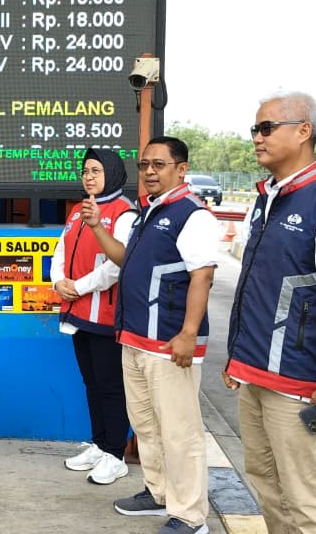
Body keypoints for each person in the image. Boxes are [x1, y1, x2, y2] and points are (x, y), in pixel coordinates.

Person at [221, 91, 316, 534]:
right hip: (254, 375)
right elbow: (257, 287)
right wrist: (237, 358)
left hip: (297, 383)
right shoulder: (266, 200)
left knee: (308, 501)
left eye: (266, 128)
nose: (257, 138)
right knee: (267, 486)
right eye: (255, 130)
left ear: (304, 131)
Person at [95, 136, 219, 534]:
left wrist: (187, 333)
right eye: (145, 164)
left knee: (180, 431)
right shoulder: (149, 212)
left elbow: (202, 275)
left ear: (181, 169)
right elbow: (124, 260)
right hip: (135, 339)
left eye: (159, 165)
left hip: (169, 345)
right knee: (146, 424)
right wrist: (98, 227)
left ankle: (190, 515)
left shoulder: (191, 214)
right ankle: (158, 490)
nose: (149, 171)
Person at [51, 148, 139, 485]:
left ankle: (116, 454)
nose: (89, 176)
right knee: (92, 383)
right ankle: (100, 445)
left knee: (110, 387)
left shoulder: (124, 213)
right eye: (86, 170)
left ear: (113, 173)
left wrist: (80, 286)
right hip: (76, 312)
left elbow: (120, 264)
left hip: (105, 315)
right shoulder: (76, 211)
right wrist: (58, 280)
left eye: (96, 170)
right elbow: (61, 249)